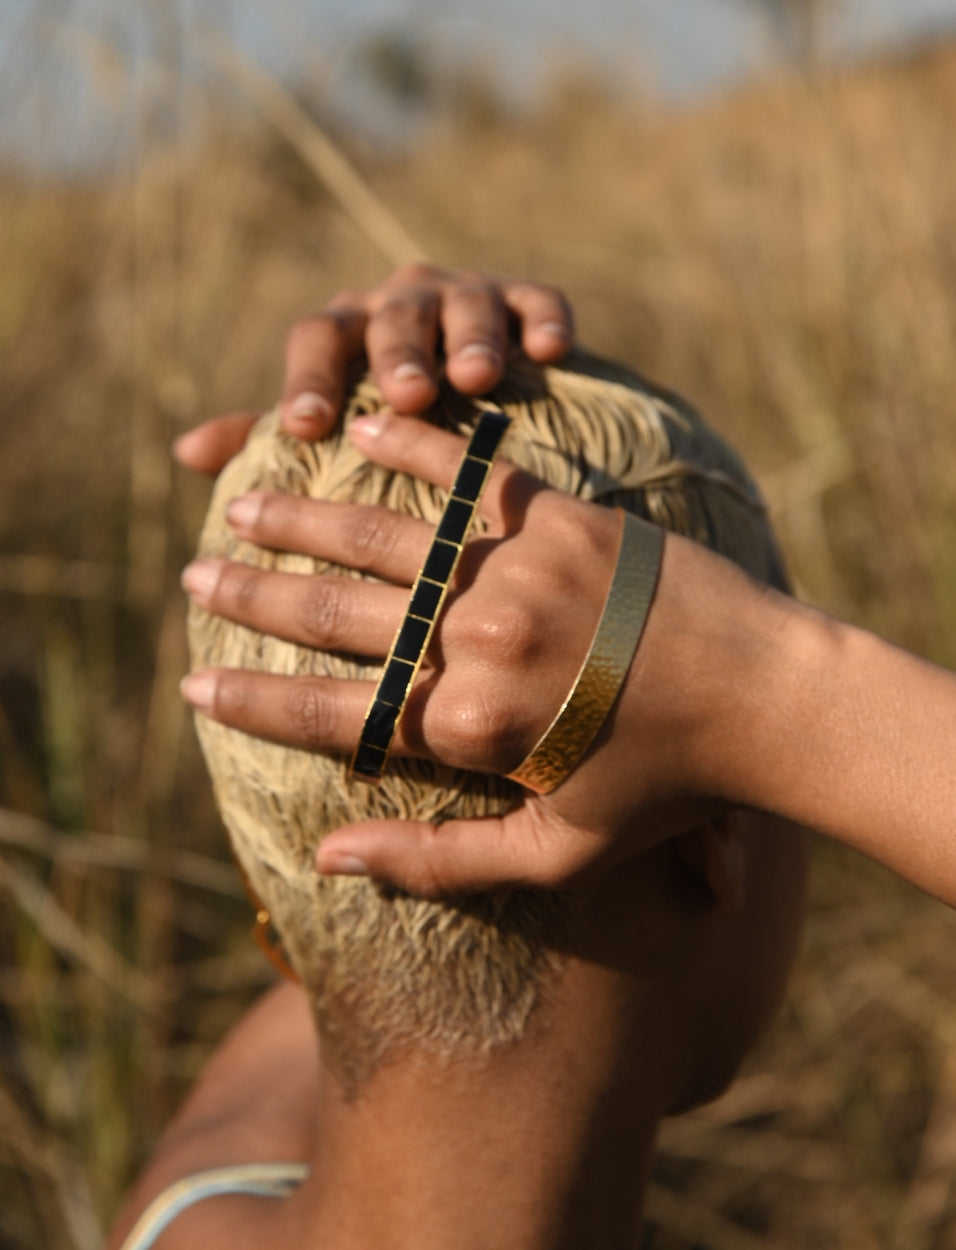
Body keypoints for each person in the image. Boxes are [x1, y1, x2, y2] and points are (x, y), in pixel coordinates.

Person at [108, 264, 956, 1248]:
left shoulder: (186, 1206)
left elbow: (344, 915)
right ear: (712, 834)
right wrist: (780, 693)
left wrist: (317, 450)